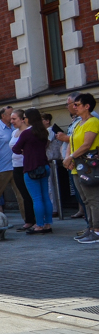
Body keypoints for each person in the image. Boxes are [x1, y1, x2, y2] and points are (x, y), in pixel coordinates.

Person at [63, 93, 99, 243]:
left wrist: (71, 157)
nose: (74, 107)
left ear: (87, 106)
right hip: (77, 166)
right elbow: (71, 142)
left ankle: (97, 231)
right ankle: (90, 228)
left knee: (93, 198)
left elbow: (87, 144)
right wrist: (67, 157)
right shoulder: (78, 123)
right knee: (85, 199)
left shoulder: (93, 122)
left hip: (88, 166)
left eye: (77, 104)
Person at [12, 108, 53, 235]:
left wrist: (25, 150)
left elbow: (16, 149)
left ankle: (39, 225)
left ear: (30, 118)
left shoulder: (26, 133)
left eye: (25, 117)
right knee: (46, 196)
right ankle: (48, 224)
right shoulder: (43, 131)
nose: (24, 119)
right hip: (44, 166)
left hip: (31, 168)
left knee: (36, 198)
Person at [0, 106, 24, 217]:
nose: (12, 117)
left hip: (16, 166)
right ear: (3, 116)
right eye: (10, 114)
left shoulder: (15, 128)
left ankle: (28, 220)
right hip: (1, 168)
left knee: (21, 194)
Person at [9, 109, 36, 231]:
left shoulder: (30, 131)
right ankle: (28, 220)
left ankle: (36, 220)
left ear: (22, 119)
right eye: (11, 119)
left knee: (32, 193)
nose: (12, 121)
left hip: (28, 165)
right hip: (16, 165)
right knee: (23, 194)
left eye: (14, 119)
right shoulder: (14, 132)